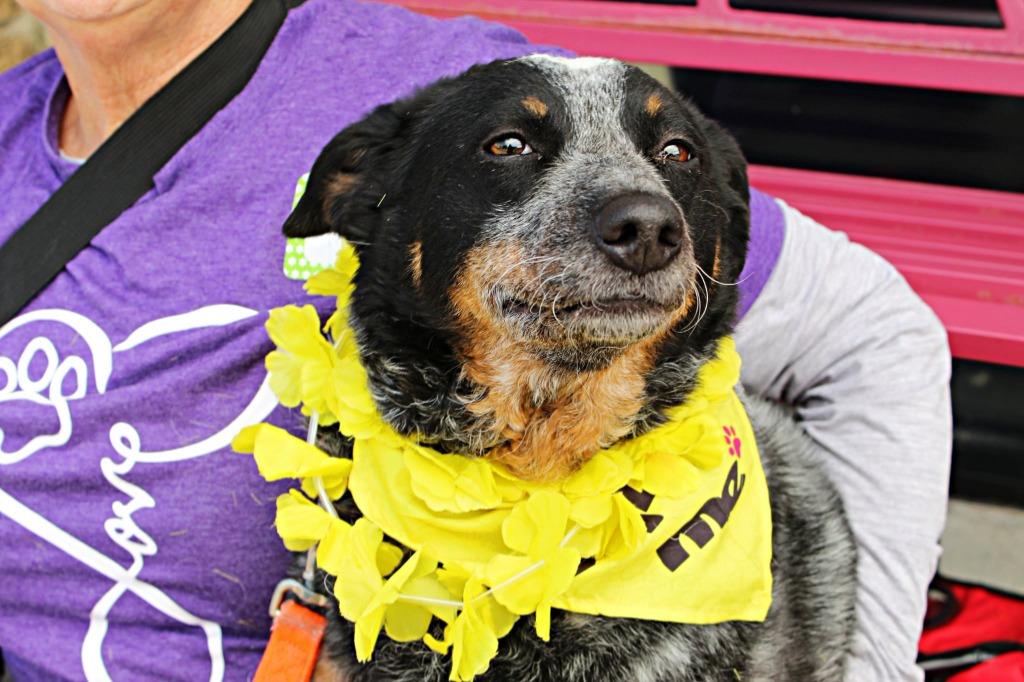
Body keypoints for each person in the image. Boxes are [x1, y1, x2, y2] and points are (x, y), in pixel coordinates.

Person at [0, 0, 951, 680]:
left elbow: (871, 337)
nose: (644, 221)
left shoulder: (422, 84)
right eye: (510, 153)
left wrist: (868, 666)